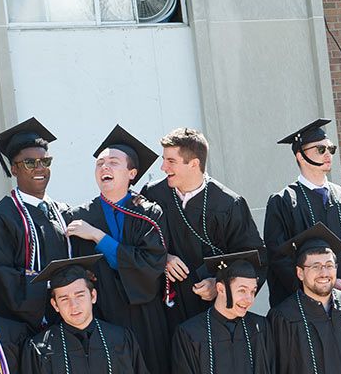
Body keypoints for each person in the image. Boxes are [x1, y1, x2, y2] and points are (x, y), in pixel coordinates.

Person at [63, 125, 169, 374]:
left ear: (132, 173)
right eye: (99, 164)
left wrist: (98, 237)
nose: (104, 168)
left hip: (145, 314)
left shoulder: (149, 213)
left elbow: (150, 264)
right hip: (102, 314)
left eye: (113, 162)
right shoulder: (79, 216)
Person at [141, 128, 264, 327]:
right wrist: (162, 258)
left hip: (213, 311)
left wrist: (220, 283)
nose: (163, 167)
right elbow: (138, 241)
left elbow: (251, 257)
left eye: (171, 161)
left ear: (194, 164)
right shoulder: (153, 194)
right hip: (166, 306)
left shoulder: (228, 204)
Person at [265, 119, 341, 306]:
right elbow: (279, 258)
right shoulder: (284, 201)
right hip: (308, 307)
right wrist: (325, 283)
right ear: (300, 156)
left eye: (331, 149)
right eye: (321, 150)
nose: (328, 154)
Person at [0, 117, 74, 332]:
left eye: (45, 161)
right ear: (13, 169)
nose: (39, 168)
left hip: (71, 319)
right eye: (29, 163)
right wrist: (50, 287)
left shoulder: (63, 212)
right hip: (30, 329)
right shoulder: (1, 218)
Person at [267, 223, 341, 374]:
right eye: (315, 266)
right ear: (300, 273)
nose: (324, 273)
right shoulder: (284, 317)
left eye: (329, 265)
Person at [23, 255, 149, 373]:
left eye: (80, 295)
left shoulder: (121, 339)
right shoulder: (38, 348)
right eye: (64, 299)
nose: (74, 305)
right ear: (55, 305)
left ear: (93, 296)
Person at [171, 250, 274, 374]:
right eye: (242, 291)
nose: (249, 299)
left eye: (253, 291)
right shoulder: (190, 333)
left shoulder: (260, 327)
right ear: (220, 289)